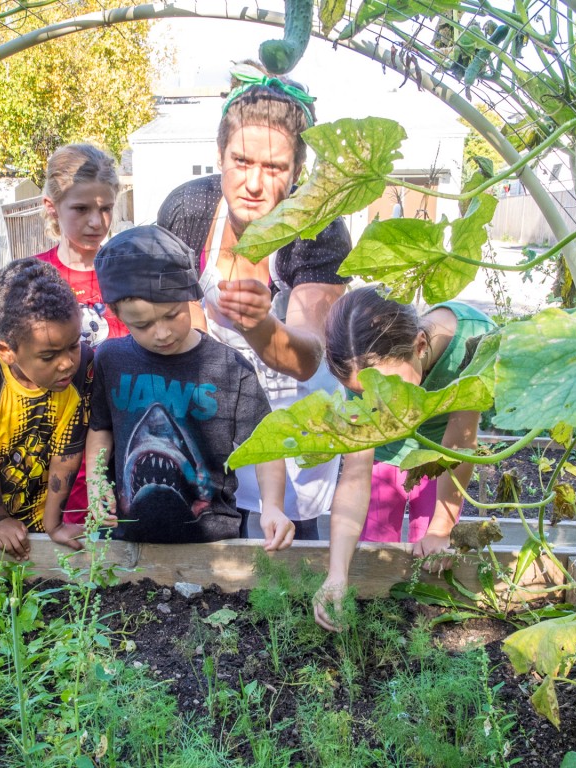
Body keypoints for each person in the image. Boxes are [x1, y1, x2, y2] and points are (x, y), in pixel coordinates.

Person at [158, 62, 351, 539]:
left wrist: (259, 325)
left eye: (274, 168)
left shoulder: (318, 229)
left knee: (288, 546)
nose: (254, 184)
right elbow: (185, 330)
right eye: (241, 161)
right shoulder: (189, 209)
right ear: (220, 154)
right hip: (216, 415)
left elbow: (307, 357)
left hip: (293, 419)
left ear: (298, 171)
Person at [84, 225, 295, 549]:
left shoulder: (230, 367)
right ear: (115, 313)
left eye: (173, 315)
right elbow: (101, 428)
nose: (162, 333)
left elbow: (268, 447)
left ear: (191, 295)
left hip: (213, 547)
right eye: (142, 324)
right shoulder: (110, 359)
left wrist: (273, 507)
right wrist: (96, 484)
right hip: (124, 544)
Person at [312, 286, 496, 631]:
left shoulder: (473, 340)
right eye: (363, 393)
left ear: (420, 346)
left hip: (441, 453)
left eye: (387, 388)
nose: (379, 402)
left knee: (433, 552)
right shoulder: (359, 367)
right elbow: (354, 475)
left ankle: (427, 631)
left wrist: (441, 529)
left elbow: (460, 444)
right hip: (385, 454)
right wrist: (336, 574)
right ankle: (381, 622)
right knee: (374, 552)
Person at [0, 259, 111, 560]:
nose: (66, 363)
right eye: (48, 356)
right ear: (7, 351)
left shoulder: (83, 368)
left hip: (36, 515)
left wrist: (54, 523)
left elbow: (68, 451)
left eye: (73, 345)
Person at [36, 143, 127, 525]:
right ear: (51, 208)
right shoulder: (35, 277)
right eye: (81, 209)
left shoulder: (126, 270)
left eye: (105, 208)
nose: (96, 221)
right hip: (55, 440)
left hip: (119, 433)